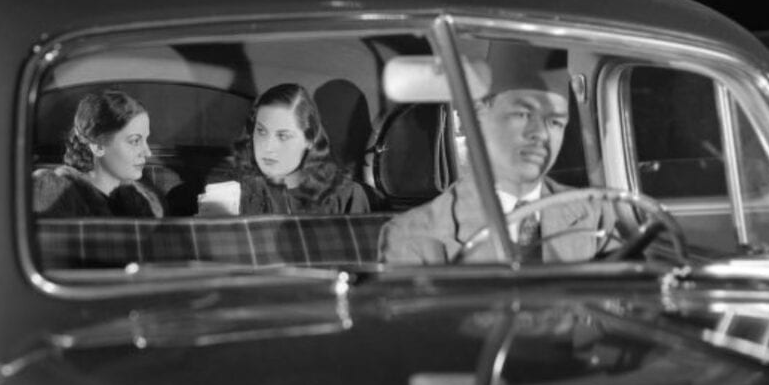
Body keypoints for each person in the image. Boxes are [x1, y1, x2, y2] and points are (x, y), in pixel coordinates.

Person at [379, 48, 616, 264]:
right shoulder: (414, 235)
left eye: (555, 122)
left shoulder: (595, 216)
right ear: (480, 115)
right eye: (523, 114)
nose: (541, 134)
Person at [230, 83, 370, 215]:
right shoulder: (236, 193)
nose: (268, 147)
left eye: (283, 136)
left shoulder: (346, 196)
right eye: (261, 131)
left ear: (309, 139)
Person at [33, 90, 163, 217]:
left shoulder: (140, 202)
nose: (148, 152)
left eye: (146, 139)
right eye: (135, 141)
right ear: (98, 146)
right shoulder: (56, 194)